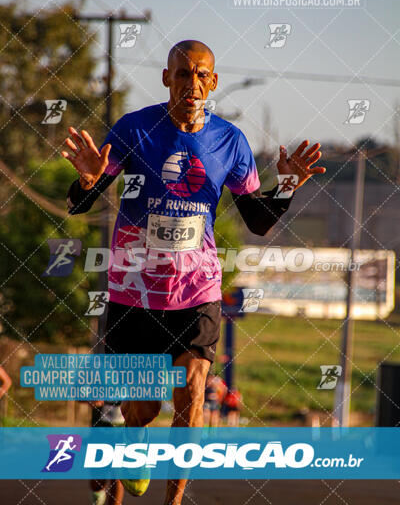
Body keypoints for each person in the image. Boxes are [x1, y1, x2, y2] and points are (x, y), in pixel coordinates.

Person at [63, 39, 325, 505]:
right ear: (167, 78)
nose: (193, 83)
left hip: (196, 291)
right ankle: (123, 434)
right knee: (140, 410)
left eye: (202, 74)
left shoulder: (230, 141)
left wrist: (284, 185)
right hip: (134, 292)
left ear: (214, 82)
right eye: (183, 73)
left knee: (193, 393)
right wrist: (86, 180)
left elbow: (258, 220)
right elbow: (81, 202)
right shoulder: (133, 129)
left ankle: (174, 502)